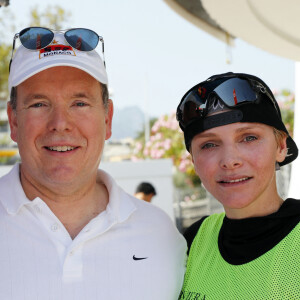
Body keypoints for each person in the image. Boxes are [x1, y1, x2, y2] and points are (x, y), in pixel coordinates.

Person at [1, 27, 187, 299]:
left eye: (79, 103)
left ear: (108, 118)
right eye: (39, 104)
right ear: (14, 121)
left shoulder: (161, 236)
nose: (60, 124)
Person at [176, 72, 300, 299]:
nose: (229, 160)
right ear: (193, 160)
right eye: (209, 144)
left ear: (281, 146)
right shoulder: (192, 242)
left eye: (249, 138)